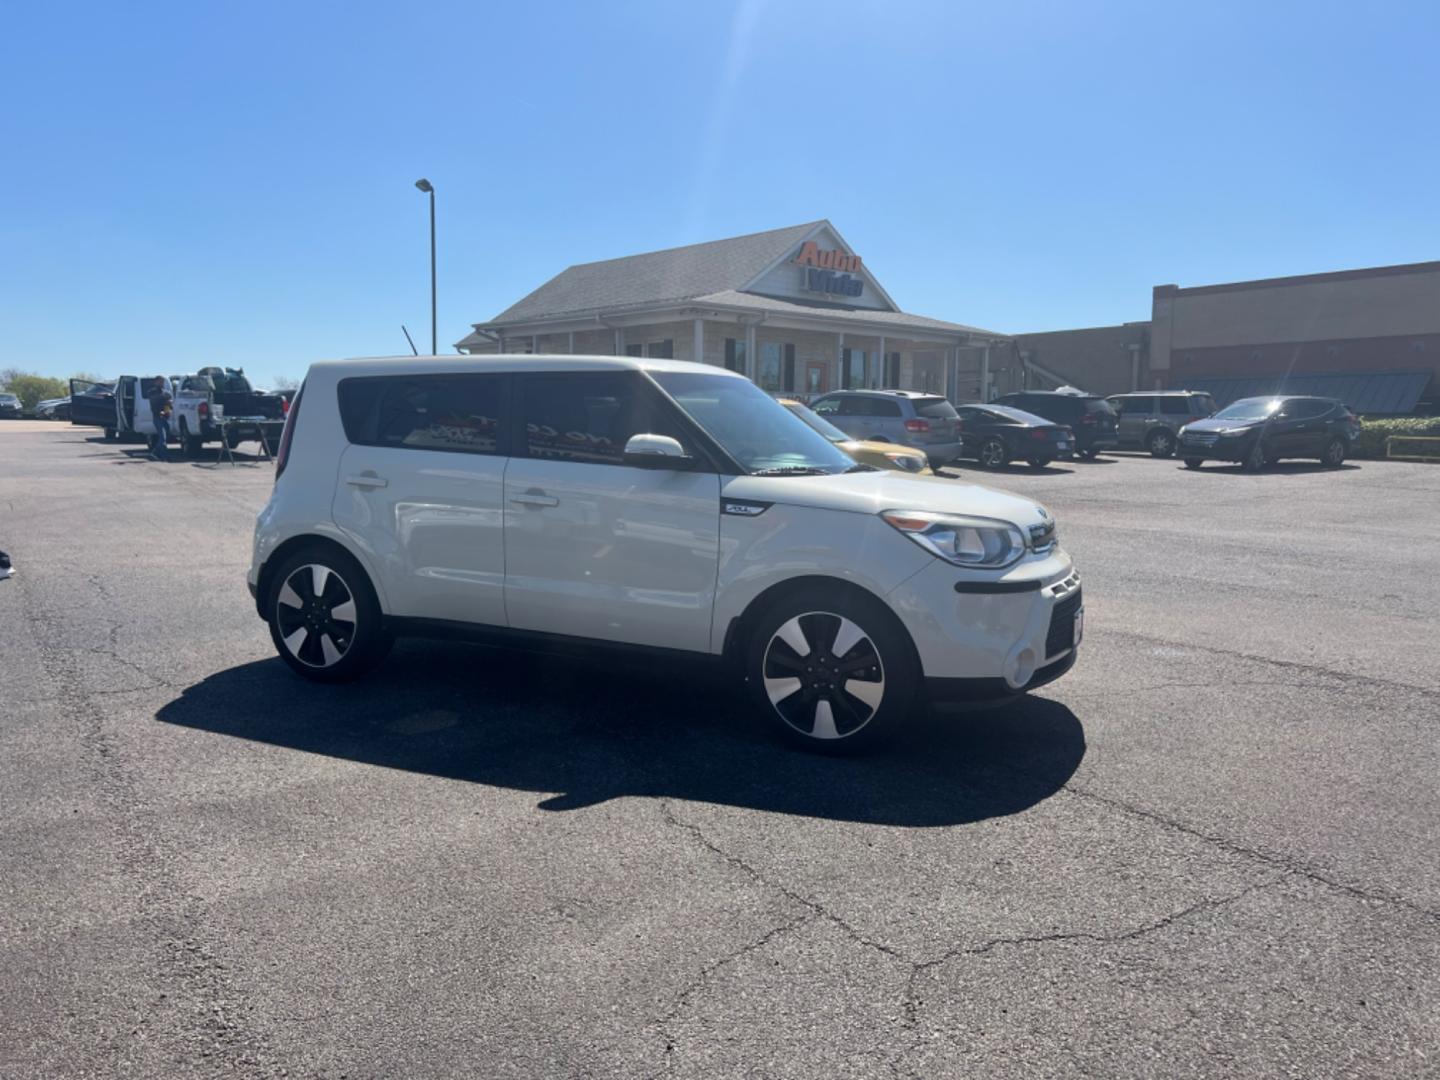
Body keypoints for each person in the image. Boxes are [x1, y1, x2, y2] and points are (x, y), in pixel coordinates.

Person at [146, 376, 173, 461]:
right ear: (156, 382)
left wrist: (169, 407)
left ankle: (155, 453)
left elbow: (168, 404)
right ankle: (164, 456)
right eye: (160, 382)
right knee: (162, 438)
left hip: (164, 417)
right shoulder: (152, 392)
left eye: (163, 382)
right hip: (157, 417)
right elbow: (155, 400)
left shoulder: (165, 392)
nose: (162, 383)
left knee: (166, 436)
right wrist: (165, 398)